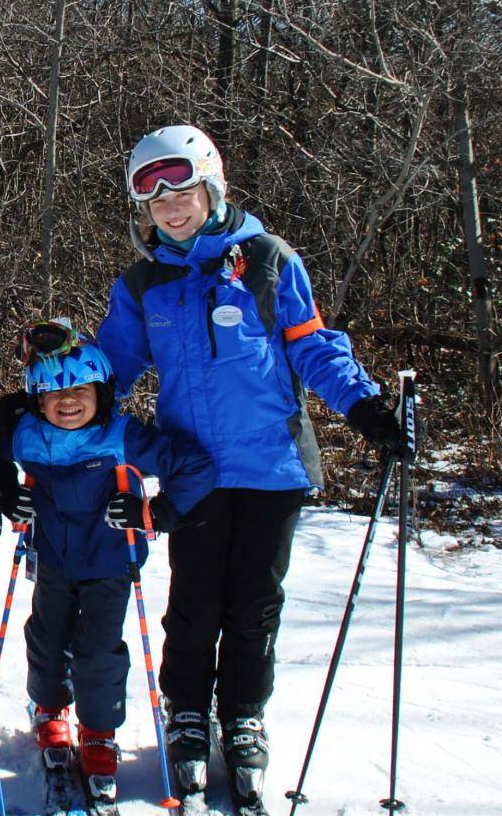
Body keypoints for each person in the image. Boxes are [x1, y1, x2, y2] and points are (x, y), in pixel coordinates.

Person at [95, 124, 409, 782]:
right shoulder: (144, 283)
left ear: (211, 187)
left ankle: (242, 713)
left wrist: (365, 407)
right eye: (155, 201)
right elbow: (107, 379)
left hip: (271, 466)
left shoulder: (268, 259)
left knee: (254, 604)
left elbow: (311, 345)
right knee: (194, 600)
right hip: (195, 473)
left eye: (181, 192)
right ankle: (186, 711)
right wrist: (57, 410)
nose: (171, 208)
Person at [0, 325, 213, 780]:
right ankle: (49, 710)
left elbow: (196, 466)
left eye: (81, 390)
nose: (68, 401)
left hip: (108, 564)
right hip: (51, 560)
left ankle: (99, 730)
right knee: (46, 637)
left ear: (101, 393)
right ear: (37, 399)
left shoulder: (121, 436)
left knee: (98, 649)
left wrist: (157, 512)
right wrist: (6, 489)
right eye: (53, 392)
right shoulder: (28, 435)